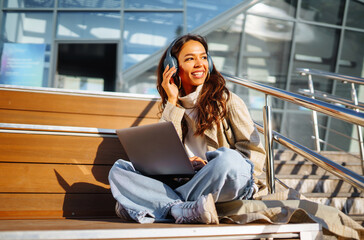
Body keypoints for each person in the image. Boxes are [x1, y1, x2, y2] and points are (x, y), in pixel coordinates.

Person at [108, 34, 266, 224]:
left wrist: (209, 166)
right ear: (173, 67)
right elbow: (163, 156)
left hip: (226, 179)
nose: (200, 63)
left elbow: (254, 151)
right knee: (119, 169)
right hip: (190, 182)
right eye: (190, 59)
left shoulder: (227, 100)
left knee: (228, 159)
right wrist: (172, 102)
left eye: (204, 57)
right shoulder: (173, 107)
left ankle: (156, 205)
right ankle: (183, 209)